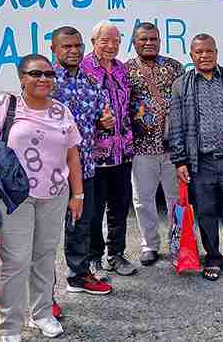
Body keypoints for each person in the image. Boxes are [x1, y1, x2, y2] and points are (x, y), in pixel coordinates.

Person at [0, 54, 84, 342]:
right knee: (16, 261)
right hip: (16, 198)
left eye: (49, 74)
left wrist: (78, 194)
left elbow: (73, 155)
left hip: (55, 195)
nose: (43, 79)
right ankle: (9, 326)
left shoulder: (61, 111)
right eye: (36, 73)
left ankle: (42, 314)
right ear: (22, 78)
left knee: (44, 258)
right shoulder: (6, 105)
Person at [168, 34, 223, 281]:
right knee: (206, 213)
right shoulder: (181, 85)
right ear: (191, 55)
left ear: (216, 52)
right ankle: (214, 257)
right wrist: (180, 161)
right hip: (201, 163)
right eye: (199, 52)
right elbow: (176, 126)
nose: (204, 56)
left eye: (209, 51)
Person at [50, 26, 113, 296]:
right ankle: (43, 295)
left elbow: (100, 117)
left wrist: (105, 121)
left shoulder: (89, 80)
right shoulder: (46, 80)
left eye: (77, 45)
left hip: (84, 167)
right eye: (67, 46)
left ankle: (78, 276)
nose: (74, 51)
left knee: (81, 225)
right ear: (54, 49)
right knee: (44, 235)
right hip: (50, 172)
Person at [125, 22, 185, 266]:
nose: (149, 43)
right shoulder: (126, 70)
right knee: (142, 200)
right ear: (134, 42)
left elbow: (185, 103)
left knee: (176, 200)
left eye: (153, 39)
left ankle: (178, 244)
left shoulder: (175, 67)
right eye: (143, 39)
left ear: (159, 41)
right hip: (141, 149)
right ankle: (149, 245)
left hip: (173, 148)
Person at [83, 21, 137, 276]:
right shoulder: (83, 69)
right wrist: (96, 121)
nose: (111, 46)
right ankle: (93, 257)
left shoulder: (121, 68)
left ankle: (116, 254)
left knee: (119, 207)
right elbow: (71, 110)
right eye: (105, 40)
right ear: (94, 42)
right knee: (94, 211)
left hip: (123, 153)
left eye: (116, 41)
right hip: (94, 155)